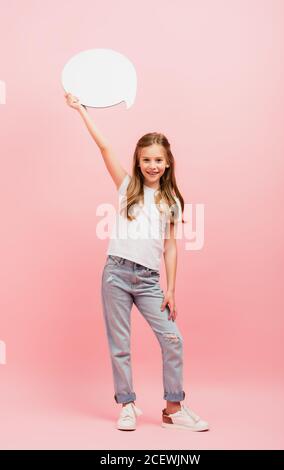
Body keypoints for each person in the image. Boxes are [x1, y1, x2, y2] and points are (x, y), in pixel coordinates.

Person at [64, 92, 209, 432]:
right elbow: (104, 148)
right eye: (146, 160)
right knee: (120, 344)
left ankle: (174, 409)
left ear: (168, 162)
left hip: (147, 280)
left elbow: (170, 247)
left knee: (172, 338)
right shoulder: (127, 187)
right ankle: (127, 404)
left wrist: (170, 289)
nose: (152, 165)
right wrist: (81, 111)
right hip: (115, 273)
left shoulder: (171, 200)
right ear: (138, 162)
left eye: (158, 160)